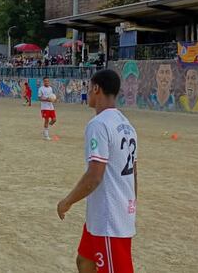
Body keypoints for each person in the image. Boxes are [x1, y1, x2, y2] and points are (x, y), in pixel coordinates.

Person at [57, 69, 137, 273]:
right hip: (104, 214)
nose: (87, 93)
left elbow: (94, 176)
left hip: (109, 218)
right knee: (84, 262)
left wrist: (67, 201)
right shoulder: (126, 125)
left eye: (88, 88)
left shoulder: (99, 124)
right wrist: (131, 203)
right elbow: (134, 171)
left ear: (96, 89)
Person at [38, 77, 57, 141]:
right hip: (44, 107)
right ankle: (46, 136)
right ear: (43, 82)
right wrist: (47, 99)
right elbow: (39, 98)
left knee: (54, 120)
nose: (46, 82)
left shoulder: (50, 88)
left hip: (51, 107)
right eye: (45, 81)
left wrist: (53, 99)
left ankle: (45, 130)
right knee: (46, 120)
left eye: (47, 81)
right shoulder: (41, 89)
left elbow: (51, 97)